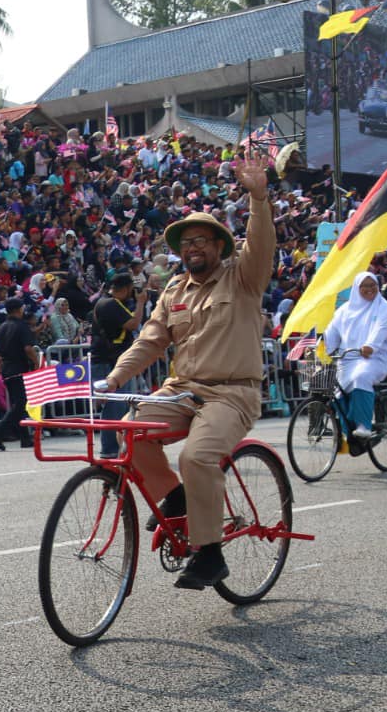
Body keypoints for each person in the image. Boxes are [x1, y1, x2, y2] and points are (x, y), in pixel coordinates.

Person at [93, 152, 274, 591]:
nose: (192, 248)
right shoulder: (173, 289)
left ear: (218, 246)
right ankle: (177, 503)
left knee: (198, 456)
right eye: (186, 242)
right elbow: (151, 341)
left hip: (231, 394)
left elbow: (262, 242)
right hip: (182, 390)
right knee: (129, 434)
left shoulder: (244, 277)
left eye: (202, 241)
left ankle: (209, 554)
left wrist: (258, 198)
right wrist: (114, 379)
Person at [323, 272, 387, 440]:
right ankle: (346, 431)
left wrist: (371, 345)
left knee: (360, 377)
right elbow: (332, 331)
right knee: (336, 390)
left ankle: (364, 424)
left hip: (374, 358)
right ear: (357, 288)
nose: (370, 289)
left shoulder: (384, 307)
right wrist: (323, 346)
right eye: (365, 286)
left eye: (373, 285)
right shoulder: (344, 310)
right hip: (347, 358)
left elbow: (381, 329)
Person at [90, 269, 142, 459]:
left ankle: (116, 448)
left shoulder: (109, 302)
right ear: (127, 288)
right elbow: (133, 324)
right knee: (114, 406)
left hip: (111, 360)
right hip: (108, 362)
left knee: (119, 405)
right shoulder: (110, 304)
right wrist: (142, 302)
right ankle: (110, 449)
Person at [0, 296, 38, 450]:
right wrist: (36, 362)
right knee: (20, 404)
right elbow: (28, 348)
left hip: (7, 370)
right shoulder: (22, 327)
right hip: (19, 369)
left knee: (18, 404)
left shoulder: (0, 328)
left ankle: (25, 438)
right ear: (18, 309)